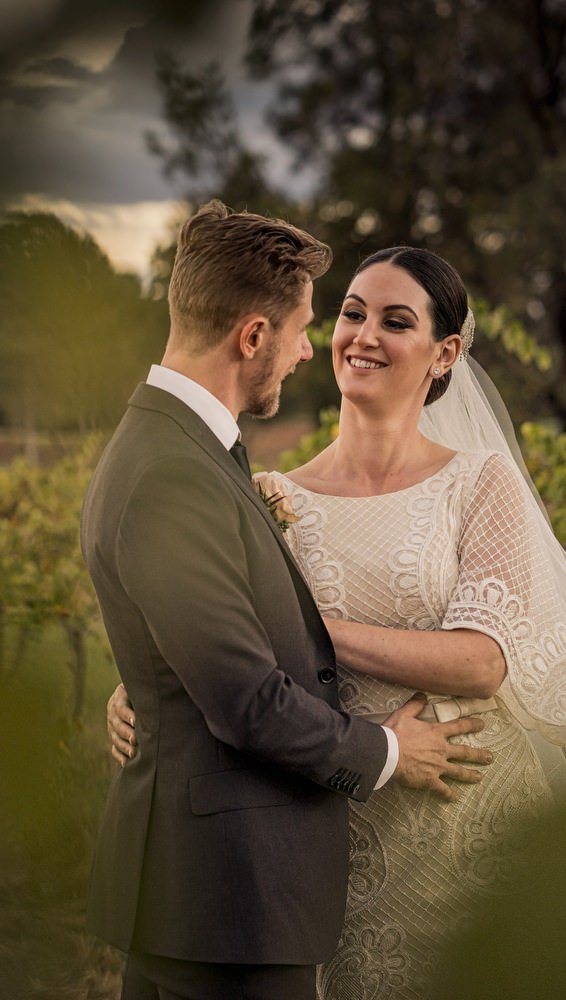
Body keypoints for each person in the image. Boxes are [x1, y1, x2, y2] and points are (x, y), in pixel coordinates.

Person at [107, 245, 566, 998]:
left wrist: (297, 629)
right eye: (350, 313)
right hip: (335, 819)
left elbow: (483, 660)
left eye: (395, 321)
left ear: (444, 354)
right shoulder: (274, 495)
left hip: (464, 817)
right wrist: (154, 681)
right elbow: (214, 638)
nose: (362, 335)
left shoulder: (482, 483)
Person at [80, 204, 491, 1000]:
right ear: (252, 336)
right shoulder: (175, 472)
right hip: (225, 898)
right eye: (307, 325)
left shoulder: (183, 451)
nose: (313, 349)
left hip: (211, 897)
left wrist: (151, 687)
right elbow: (245, 700)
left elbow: (200, 644)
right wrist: (392, 752)